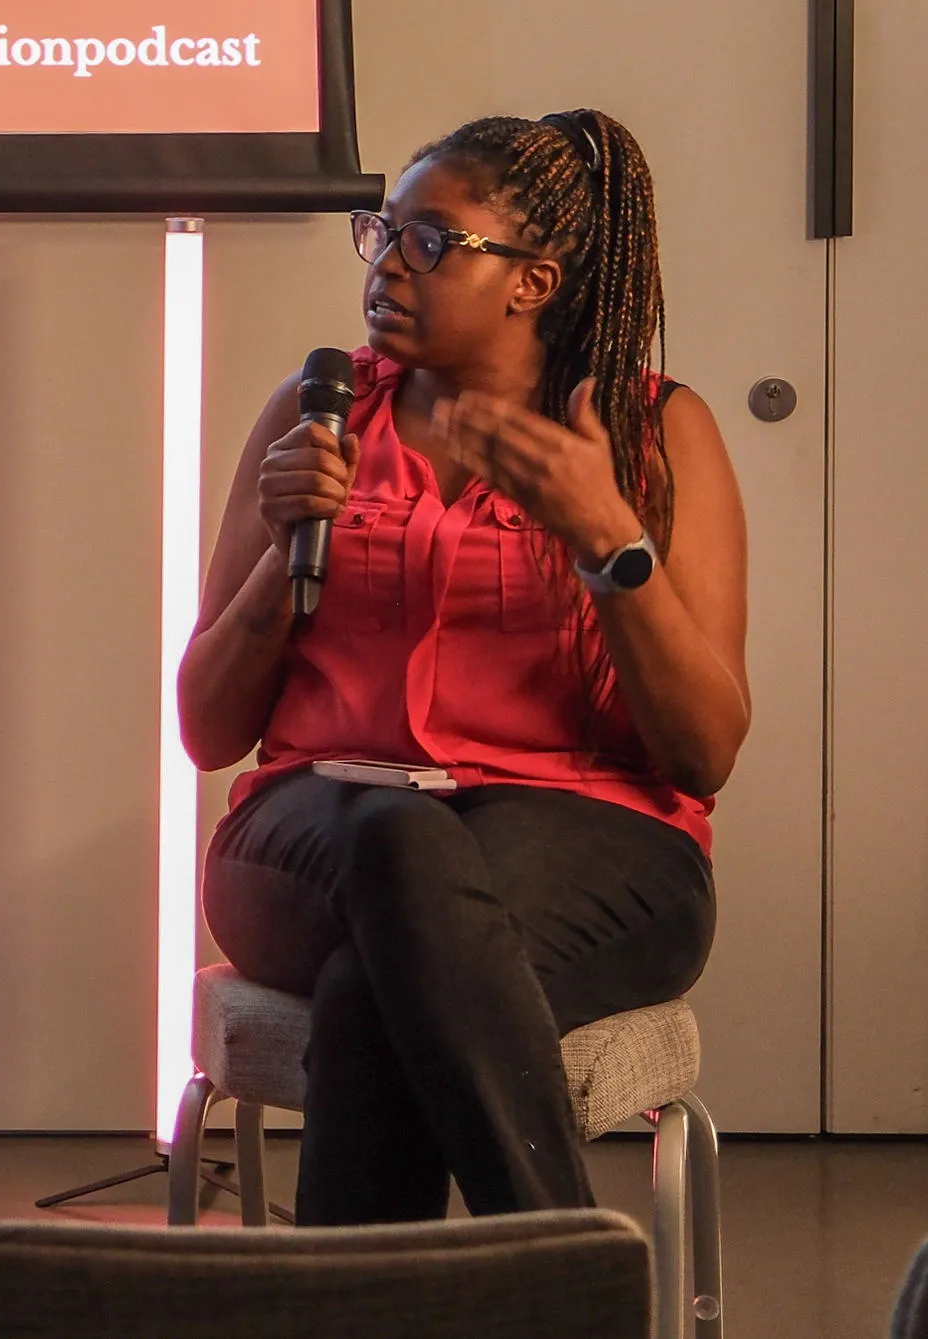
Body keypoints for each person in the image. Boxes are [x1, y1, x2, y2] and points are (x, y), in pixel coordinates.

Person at [179, 109, 749, 1222]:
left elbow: (704, 748)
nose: (385, 264)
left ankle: (356, 1309)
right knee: (397, 841)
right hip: (311, 832)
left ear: (531, 282)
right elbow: (207, 730)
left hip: (591, 842)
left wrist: (606, 543)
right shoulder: (318, 418)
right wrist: (285, 550)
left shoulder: (652, 437)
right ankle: (564, 1271)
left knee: (373, 991)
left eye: (429, 242)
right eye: (381, 232)